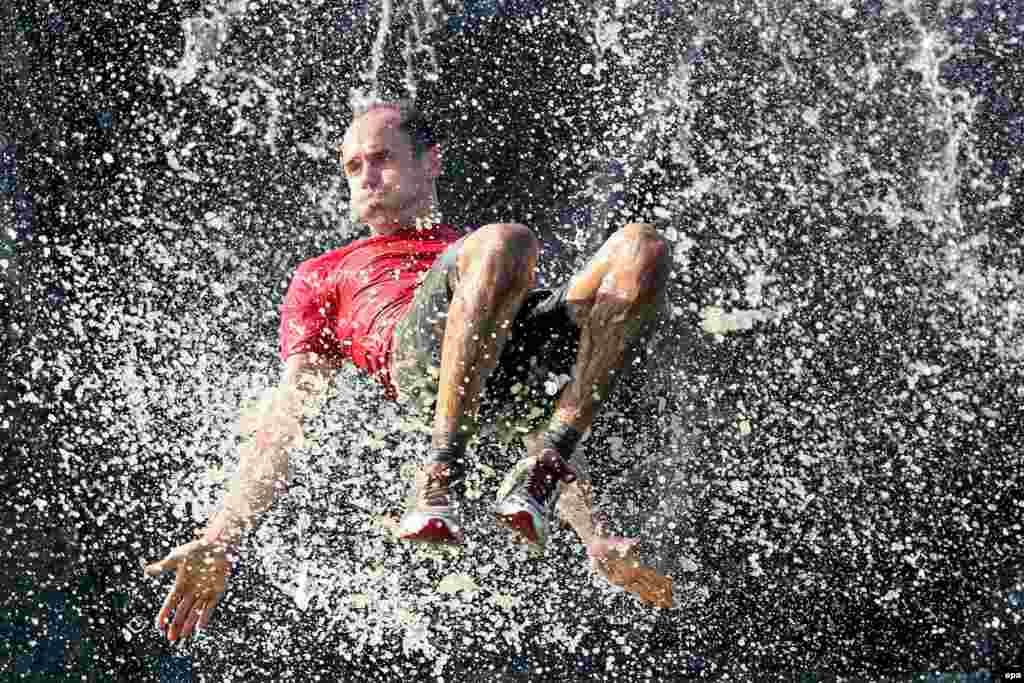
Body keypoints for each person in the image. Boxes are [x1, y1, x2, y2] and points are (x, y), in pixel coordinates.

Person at [144, 99, 673, 643]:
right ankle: (439, 471)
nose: (365, 177)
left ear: (431, 163)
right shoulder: (324, 274)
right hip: (418, 362)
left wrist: (596, 537)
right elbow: (287, 418)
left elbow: (536, 404)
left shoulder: (479, 257)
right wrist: (222, 535)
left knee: (642, 246)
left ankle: (548, 465)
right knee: (505, 240)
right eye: (353, 167)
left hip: (507, 361)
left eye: (380, 159)